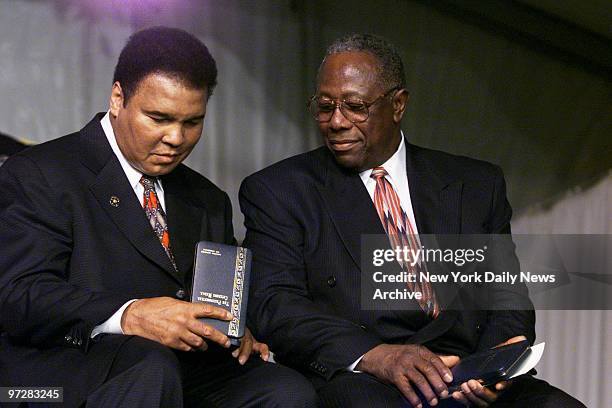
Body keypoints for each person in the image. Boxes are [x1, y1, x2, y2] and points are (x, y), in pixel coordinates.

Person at [239, 34, 585, 407]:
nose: (336, 121)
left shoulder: (475, 184)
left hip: (468, 373)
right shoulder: (279, 190)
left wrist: (493, 367)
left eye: (355, 106)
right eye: (324, 107)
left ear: (398, 104)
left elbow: (505, 296)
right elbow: (275, 304)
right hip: (363, 378)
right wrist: (376, 355)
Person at [0, 26, 317, 407]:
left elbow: (216, 298)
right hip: (59, 375)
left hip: (178, 369)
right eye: (159, 118)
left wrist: (234, 328)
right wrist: (130, 315)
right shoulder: (40, 173)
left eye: (192, 122)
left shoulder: (208, 199)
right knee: (149, 364)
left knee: (285, 390)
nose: (176, 139)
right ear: (118, 98)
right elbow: (19, 295)